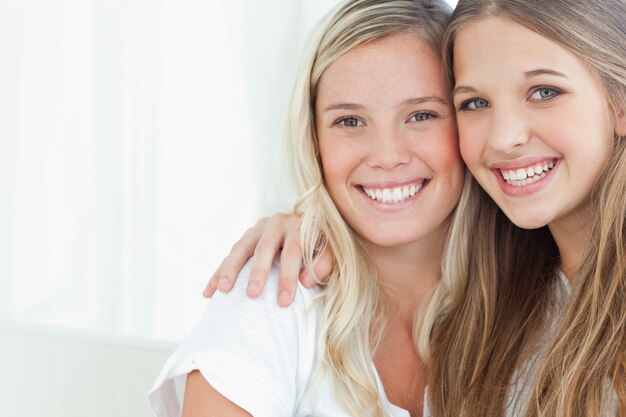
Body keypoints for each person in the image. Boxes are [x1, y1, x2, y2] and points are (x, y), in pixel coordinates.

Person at [205, 0, 626, 416]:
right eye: (476, 103)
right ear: (312, 138)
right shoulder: (514, 283)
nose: (504, 137)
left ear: (619, 101)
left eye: (545, 92)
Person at [149, 0, 466, 416]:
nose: (387, 156)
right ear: (314, 140)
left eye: (422, 115)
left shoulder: (534, 300)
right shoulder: (272, 292)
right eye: (350, 121)